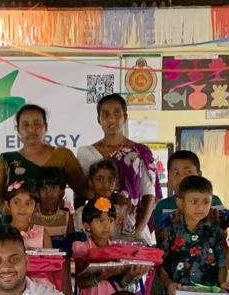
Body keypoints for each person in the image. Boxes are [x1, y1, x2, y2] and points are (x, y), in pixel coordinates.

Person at [157, 175, 229, 295]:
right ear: (180, 203)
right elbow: (160, 264)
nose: (201, 207)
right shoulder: (169, 231)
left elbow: (222, 262)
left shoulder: (215, 231)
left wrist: (222, 283)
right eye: (194, 201)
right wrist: (169, 285)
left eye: (206, 202)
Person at [76, 93, 161, 237]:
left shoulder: (140, 152)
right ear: (98, 119)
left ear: (125, 117)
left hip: (132, 224)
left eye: (117, 113)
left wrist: (135, 233)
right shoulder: (86, 153)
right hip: (97, 228)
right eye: (106, 114)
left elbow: (149, 196)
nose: (111, 119)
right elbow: (83, 192)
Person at [71, 198, 148, 295]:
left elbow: (122, 283)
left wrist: (131, 275)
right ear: (87, 226)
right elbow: (80, 282)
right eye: (100, 220)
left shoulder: (118, 250)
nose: (106, 225)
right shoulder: (82, 248)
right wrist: (102, 276)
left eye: (111, 220)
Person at [0, 105, 88, 204]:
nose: (31, 129)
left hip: (55, 214)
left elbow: (83, 191)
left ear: (45, 127)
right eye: (25, 124)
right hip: (16, 214)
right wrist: (9, 210)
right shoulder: (7, 159)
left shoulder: (63, 155)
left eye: (37, 123)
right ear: (18, 129)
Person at [150, 151, 229, 232]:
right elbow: (160, 237)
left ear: (199, 175)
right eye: (176, 173)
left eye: (188, 172)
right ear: (168, 179)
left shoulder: (213, 201)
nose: (182, 178)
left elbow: (222, 234)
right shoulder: (163, 206)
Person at [84, 159, 137, 240]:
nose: (105, 184)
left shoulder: (124, 210)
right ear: (90, 182)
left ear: (116, 183)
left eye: (110, 179)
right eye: (99, 179)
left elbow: (130, 237)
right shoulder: (82, 212)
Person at [3, 182, 52, 251]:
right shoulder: (1, 234)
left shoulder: (42, 234)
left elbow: (50, 258)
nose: (22, 208)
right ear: (7, 205)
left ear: (36, 207)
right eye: (16, 202)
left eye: (28, 203)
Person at [35, 167, 74, 242]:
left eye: (53, 188)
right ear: (38, 191)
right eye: (44, 188)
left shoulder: (67, 216)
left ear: (61, 191)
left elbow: (72, 244)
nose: (48, 193)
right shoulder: (31, 215)